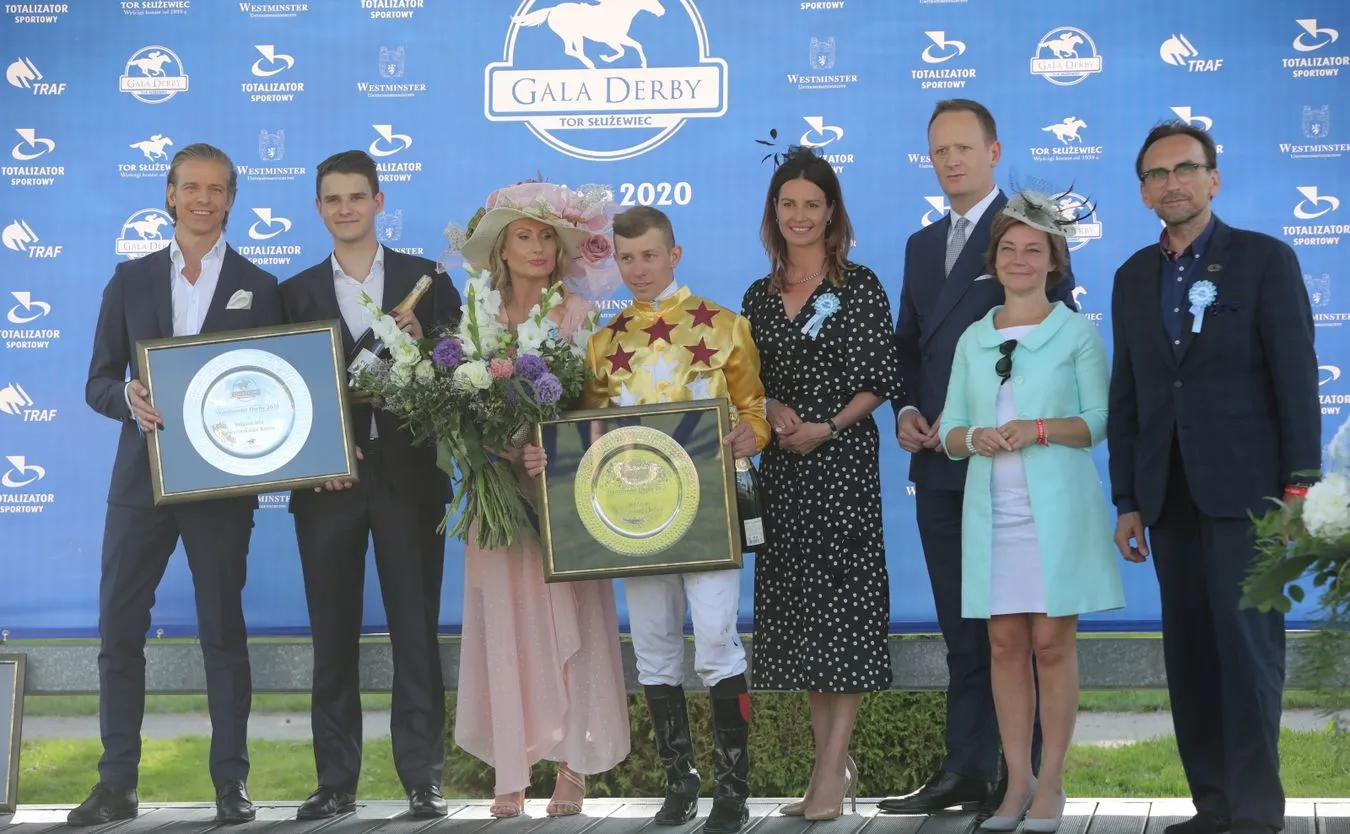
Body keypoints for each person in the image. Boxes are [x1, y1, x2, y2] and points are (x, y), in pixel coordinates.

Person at [524, 205, 770, 834]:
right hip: (637, 524)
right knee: (656, 649)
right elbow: (587, 438)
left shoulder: (724, 327)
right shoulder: (604, 345)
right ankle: (680, 783)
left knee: (716, 639)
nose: (639, 269)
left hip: (710, 516)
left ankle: (733, 792)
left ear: (675, 254)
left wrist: (751, 433)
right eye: (627, 258)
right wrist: (545, 451)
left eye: (651, 255)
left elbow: (755, 410)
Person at [1107, 122, 1319, 834]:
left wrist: (1298, 491)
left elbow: (1296, 385)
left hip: (1248, 498)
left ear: (1213, 179)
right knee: (1191, 656)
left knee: (1249, 656)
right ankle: (1213, 808)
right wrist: (1128, 498)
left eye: (1186, 169)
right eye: (1158, 174)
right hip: (1166, 499)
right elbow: (1129, 393)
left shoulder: (1265, 260)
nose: (1173, 183)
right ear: (1142, 191)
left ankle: (1256, 814)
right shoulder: (1133, 276)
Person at [72, 142, 284, 826]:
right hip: (140, 481)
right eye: (191, 187)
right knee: (119, 630)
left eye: (216, 189)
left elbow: (278, 390)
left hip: (222, 489)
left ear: (231, 199)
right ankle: (117, 784)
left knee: (223, 631)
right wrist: (126, 396)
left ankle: (232, 785)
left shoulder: (261, 285)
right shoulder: (128, 280)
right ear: (170, 194)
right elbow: (98, 379)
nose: (203, 199)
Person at [881, 99, 1077, 819]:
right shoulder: (918, 244)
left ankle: (1022, 776)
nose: (951, 160)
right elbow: (906, 345)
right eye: (939, 151)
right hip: (938, 464)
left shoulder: (1027, 231)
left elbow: (1060, 336)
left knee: (1021, 631)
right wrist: (906, 410)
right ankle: (967, 770)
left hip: (1012, 466)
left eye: (964, 148)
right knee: (966, 632)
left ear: (994, 152)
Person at [279, 150, 462, 820]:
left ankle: (422, 777)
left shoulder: (425, 278)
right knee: (333, 635)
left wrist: (426, 344)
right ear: (320, 207)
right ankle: (335, 782)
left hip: (409, 480)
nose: (347, 209)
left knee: (415, 631)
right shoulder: (292, 291)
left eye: (358, 197)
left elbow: (462, 369)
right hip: (326, 485)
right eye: (333, 199)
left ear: (380, 202)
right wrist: (312, 452)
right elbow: (282, 393)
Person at [938, 192, 1125, 833]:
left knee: (1051, 643)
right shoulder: (971, 338)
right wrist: (973, 439)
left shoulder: (1074, 331)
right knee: (1003, 643)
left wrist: (1039, 427)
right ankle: (1014, 783)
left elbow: (1099, 422)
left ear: (1054, 262)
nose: (1020, 259)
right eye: (1009, 248)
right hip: (994, 514)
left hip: (1057, 514)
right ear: (994, 261)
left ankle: (1052, 783)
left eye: (1033, 249)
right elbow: (951, 431)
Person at [445, 180, 631, 819]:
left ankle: (572, 770)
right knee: (505, 621)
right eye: (524, 235)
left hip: (559, 493)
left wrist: (553, 447)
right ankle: (510, 767)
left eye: (547, 237)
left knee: (569, 619)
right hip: (495, 496)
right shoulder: (474, 315)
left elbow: (594, 408)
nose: (537, 247)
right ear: (500, 247)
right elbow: (454, 409)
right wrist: (488, 447)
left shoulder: (577, 316)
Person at [739, 147, 899, 820]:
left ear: (831, 212)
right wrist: (771, 411)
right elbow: (749, 385)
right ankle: (825, 768)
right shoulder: (759, 295)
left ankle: (831, 772)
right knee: (808, 627)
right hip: (782, 476)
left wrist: (826, 427)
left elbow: (879, 380)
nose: (799, 216)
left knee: (846, 619)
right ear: (774, 214)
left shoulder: (857, 286)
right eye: (788, 204)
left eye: (812, 204)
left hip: (839, 468)